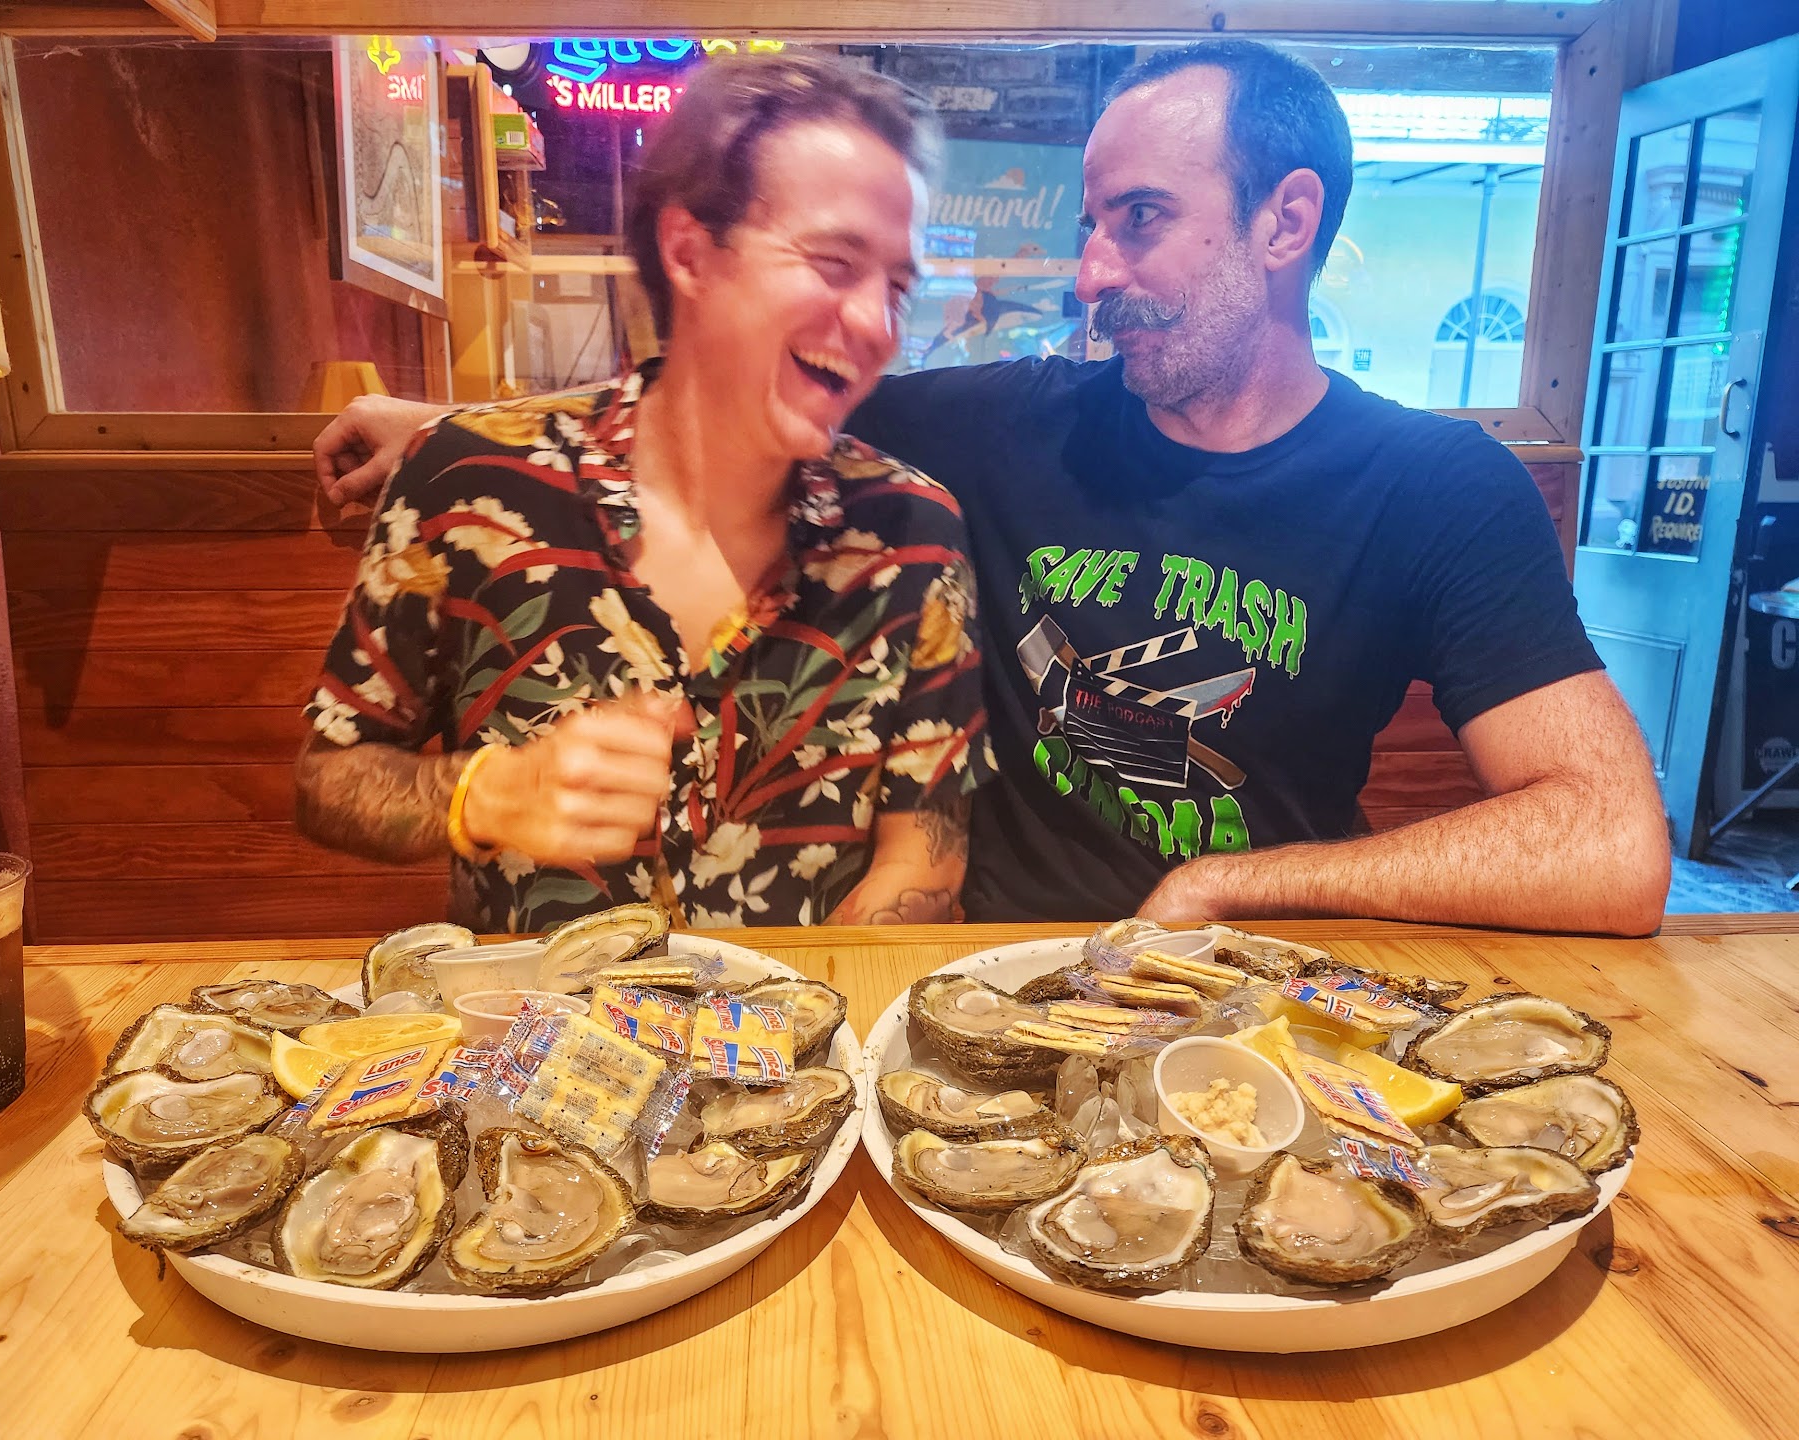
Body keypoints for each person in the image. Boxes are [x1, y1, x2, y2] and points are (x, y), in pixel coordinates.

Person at [314, 41, 1671, 938]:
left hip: (1255, 983)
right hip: (996, 981)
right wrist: (450, 429)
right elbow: (725, 390)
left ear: (1287, 221)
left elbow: (1611, 844)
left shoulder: (1435, 486)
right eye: (1090, 225)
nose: (1090, 273)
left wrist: (1236, 886)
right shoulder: (1014, 424)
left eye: (1139, 220)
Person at [297, 56, 995, 933]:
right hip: (537, 1019)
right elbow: (329, 777)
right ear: (690, 252)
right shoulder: (469, 482)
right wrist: (484, 792)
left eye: (897, 286)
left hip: (809, 1018)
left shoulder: (911, 536)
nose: (877, 325)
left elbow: (924, 852)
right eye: (833, 263)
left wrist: (815, 1000)